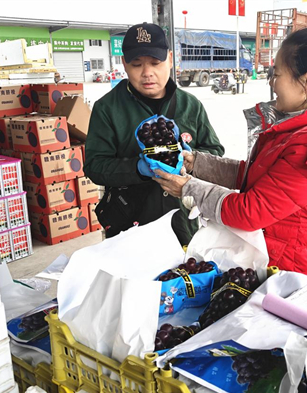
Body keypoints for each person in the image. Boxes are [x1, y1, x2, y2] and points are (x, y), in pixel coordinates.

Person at [153, 28, 307, 286]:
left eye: (278, 74)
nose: (272, 82)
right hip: (274, 261)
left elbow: (252, 211)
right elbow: (260, 177)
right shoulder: (302, 123)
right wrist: (199, 163)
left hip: (294, 276)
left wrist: (189, 189)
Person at [84, 22, 224, 245]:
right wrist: (138, 169)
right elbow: (95, 166)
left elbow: (215, 151)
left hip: (181, 222)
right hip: (130, 226)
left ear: (170, 58)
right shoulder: (108, 108)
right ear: (124, 63)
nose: (147, 73)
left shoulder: (190, 105)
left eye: (155, 63)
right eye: (137, 64)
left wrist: (192, 161)